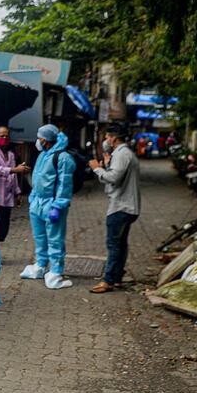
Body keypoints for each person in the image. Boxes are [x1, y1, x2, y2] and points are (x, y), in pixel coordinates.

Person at [20, 124, 75, 290]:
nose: (38, 141)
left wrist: (58, 206)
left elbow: (65, 185)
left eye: (40, 138)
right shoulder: (44, 154)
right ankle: (41, 265)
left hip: (52, 204)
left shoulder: (63, 157)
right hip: (37, 204)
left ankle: (56, 272)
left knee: (55, 240)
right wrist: (32, 199)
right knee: (40, 238)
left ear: (46, 140)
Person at [88, 123, 141, 293]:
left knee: (114, 245)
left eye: (107, 137)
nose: (105, 140)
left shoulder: (122, 154)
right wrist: (105, 166)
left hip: (121, 206)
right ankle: (116, 277)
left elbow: (113, 178)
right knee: (120, 244)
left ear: (114, 138)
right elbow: (111, 178)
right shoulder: (122, 154)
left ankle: (108, 280)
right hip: (125, 205)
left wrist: (97, 169)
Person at [0, 126, 30, 243]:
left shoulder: (10, 154)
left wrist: (17, 192)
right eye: (2, 136)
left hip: (7, 197)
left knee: (3, 229)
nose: (5, 138)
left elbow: (13, 176)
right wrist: (15, 169)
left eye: (7, 136)